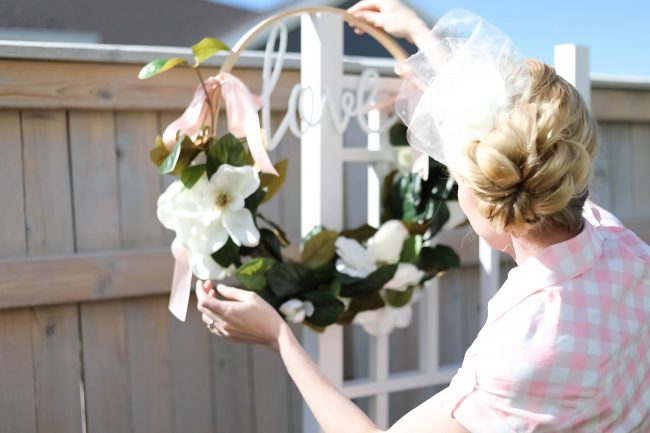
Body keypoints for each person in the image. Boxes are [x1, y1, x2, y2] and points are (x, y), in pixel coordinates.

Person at [196, 1, 650, 431]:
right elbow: (507, 126)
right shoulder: (626, 252)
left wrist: (279, 337)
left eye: (456, 173)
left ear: (485, 194)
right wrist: (417, 31)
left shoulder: (521, 350)